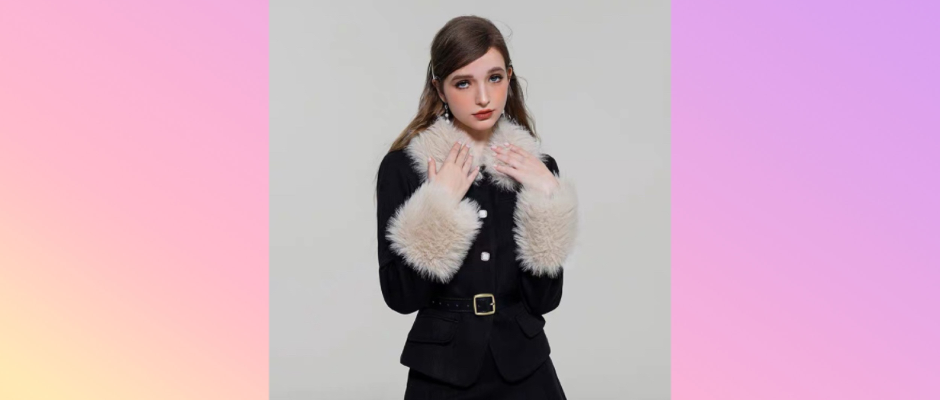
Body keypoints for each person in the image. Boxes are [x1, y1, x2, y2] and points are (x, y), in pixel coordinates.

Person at [374, 15, 578, 399]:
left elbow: (545, 301)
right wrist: (439, 205)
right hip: (441, 371)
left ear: (509, 78)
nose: (483, 98)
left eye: (495, 78)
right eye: (463, 83)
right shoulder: (405, 167)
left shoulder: (537, 168)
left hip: (525, 367)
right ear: (439, 88)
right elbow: (400, 297)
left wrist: (547, 199)